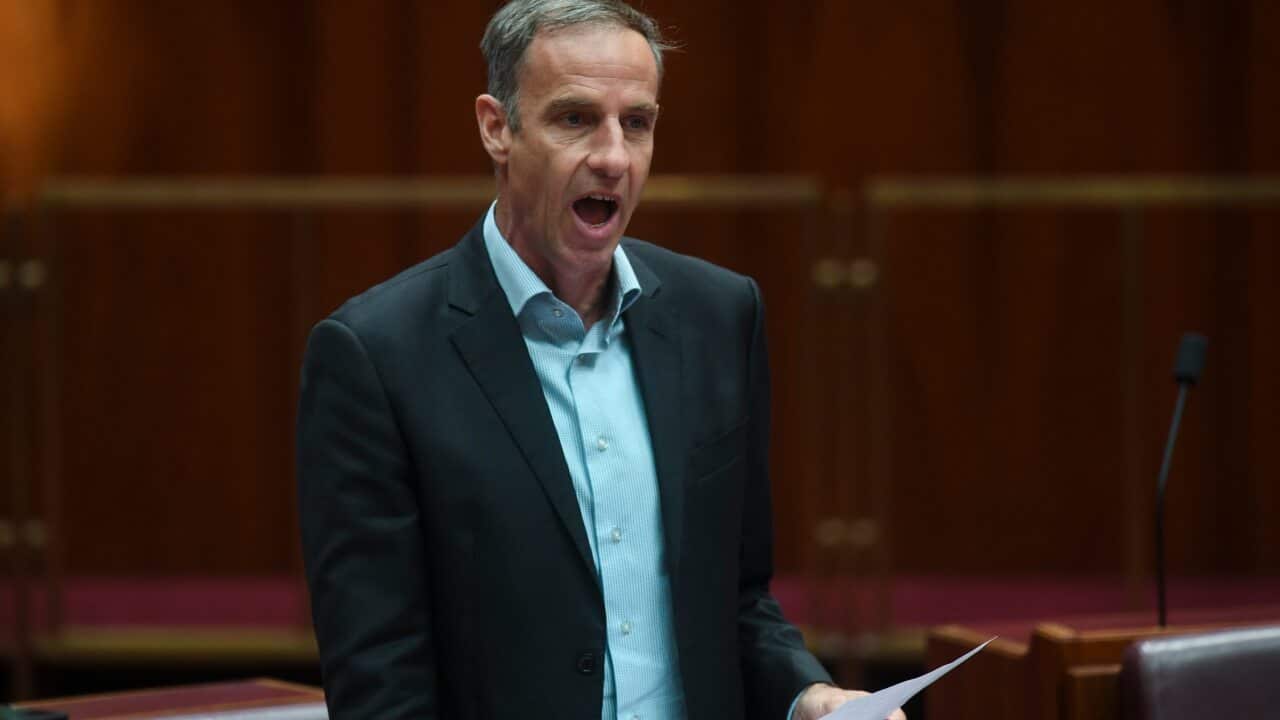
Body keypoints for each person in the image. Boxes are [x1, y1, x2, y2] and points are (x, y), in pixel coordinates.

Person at [297, 1, 905, 718]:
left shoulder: (717, 316)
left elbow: (737, 598)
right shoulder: (376, 356)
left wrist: (812, 695)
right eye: (575, 119)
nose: (613, 157)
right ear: (497, 128)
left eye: (637, 123)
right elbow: (381, 679)